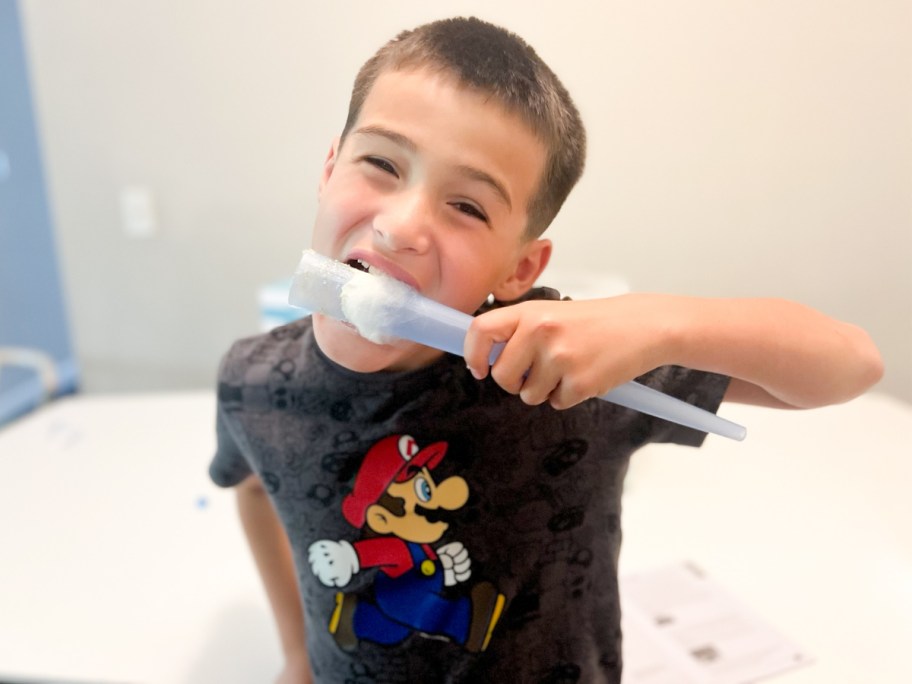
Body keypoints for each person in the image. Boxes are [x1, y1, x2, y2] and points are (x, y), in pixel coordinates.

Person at [209, 16, 883, 684]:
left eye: (467, 207)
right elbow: (254, 490)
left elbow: (851, 366)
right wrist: (297, 652)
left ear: (519, 271)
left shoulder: (564, 370)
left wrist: (662, 322)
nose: (401, 226)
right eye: (381, 163)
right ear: (330, 168)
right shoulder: (252, 380)